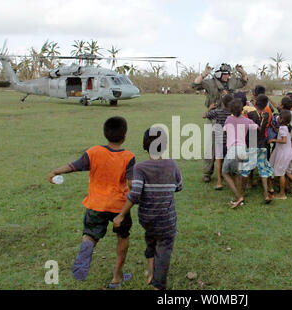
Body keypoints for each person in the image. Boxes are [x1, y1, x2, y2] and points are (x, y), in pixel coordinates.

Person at [48, 117, 136, 287]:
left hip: (96, 204)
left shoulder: (94, 152)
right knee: (123, 237)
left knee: (90, 234)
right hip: (119, 206)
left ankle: (87, 244)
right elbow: (132, 184)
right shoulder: (128, 157)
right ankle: (117, 276)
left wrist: (55, 171)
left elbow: (73, 166)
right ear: (124, 136)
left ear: (105, 134)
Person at [114, 127, 183, 290]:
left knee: (151, 240)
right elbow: (179, 187)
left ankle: (151, 273)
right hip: (167, 220)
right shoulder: (172, 164)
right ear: (165, 145)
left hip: (147, 219)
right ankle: (158, 285)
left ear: (145, 145)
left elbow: (135, 193)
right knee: (164, 249)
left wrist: (121, 215)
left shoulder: (140, 168)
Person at [192, 63, 248, 183]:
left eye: (228, 74)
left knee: (230, 145)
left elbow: (244, 81)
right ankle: (207, 172)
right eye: (225, 74)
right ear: (219, 74)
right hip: (214, 118)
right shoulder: (210, 83)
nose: (227, 76)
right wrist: (204, 74)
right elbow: (195, 84)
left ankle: (228, 171)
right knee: (211, 147)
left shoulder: (232, 82)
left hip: (230, 118)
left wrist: (241, 71)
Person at [222, 99, 258, 209]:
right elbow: (257, 127)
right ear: (243, 109)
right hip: (243, 150)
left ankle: (238, 197)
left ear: (230, 110)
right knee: (237, 174)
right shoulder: (247, 121)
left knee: (225, 173)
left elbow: (224, 131)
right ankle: (239, 197)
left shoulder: (229, 119)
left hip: (233, 149)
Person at [240, 94, 275, 203]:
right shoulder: (267, 115)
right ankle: (265, 194)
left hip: (251, 143)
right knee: (263, 169)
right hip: (262, 144)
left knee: (245, 169)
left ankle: (241, 193)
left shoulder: (249, 114)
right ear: (266, 105)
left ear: (255, 103)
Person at [269, 109, 292, 199]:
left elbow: (284, 140)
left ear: (281, 119)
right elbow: (283, 135)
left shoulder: (282, 128)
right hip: (290, 152)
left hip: (284, 153)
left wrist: (273, 140)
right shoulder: (287, 127)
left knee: (281, 173)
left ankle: (282, 194)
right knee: (287, 172)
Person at [203, 94, 233, 190]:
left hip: (219, 140)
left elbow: (204, 116)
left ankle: (219, 181)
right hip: (230, 140)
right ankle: (230, 179)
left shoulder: (217, 111)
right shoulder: (233, 113)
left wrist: (210, 108)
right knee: (229, 160)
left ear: (222, 103)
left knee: (219, 161)